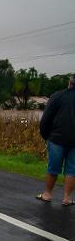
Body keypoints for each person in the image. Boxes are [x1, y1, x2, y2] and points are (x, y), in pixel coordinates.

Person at [37, 75, 75, 206]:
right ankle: (67, 198)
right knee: (72, 170)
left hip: (56, 138)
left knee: (53, 167)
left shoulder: (57, 96)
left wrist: (45, 135)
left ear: (69, 83)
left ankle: (47, 194)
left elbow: (46, 118)